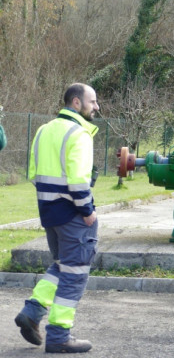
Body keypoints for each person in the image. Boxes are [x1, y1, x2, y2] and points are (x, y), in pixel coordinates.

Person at [15, 83, 100, 353]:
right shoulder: (80, 134)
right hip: (74, 215)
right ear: (77, 103)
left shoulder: (43, 130)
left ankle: (32, 311)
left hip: (49, 213)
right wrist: (87, 211)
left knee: (63, 266)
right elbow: (78, 181)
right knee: (75, 275)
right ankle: (59, 336)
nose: (96, 107)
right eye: (93, 101)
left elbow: (33, 174)